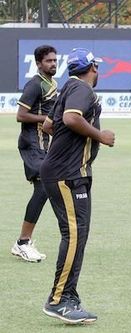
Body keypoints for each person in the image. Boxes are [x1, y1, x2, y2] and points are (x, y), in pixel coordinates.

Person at [40, 48, 115, 324]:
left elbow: (49, 125)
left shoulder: (67, 87)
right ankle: (59, 300)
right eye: (96, 65)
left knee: (75, 234)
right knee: (74, 235)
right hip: (68, 174)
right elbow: (71, 119)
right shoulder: (82, 88)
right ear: (92, 67)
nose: (98, 70)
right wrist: (100, 136)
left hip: (64, 171)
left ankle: (68, 296)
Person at [11, 45, 58, 263]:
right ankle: (22, 242)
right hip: (32, 144)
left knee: (47, 188)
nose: (53, 64)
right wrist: (46, 120)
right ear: (39, 63)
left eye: (55, 60)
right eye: (48, 61)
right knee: (43, 188)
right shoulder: (35, 84)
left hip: (44, 145)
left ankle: (24, 242)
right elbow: (21, 115)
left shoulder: (51, 83)